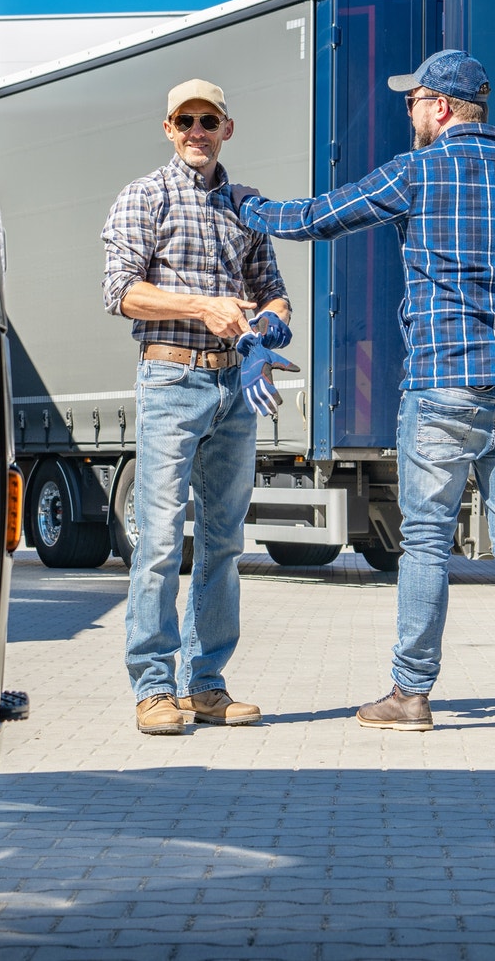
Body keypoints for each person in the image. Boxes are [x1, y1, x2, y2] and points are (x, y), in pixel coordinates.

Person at [226, 50, 495, 734]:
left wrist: (251, 206)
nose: (408, 112)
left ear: (443, 107)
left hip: (443, 386)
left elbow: (316, 217)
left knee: (424, 542)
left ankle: (411, 696)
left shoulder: (416, 172)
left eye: (413, 100)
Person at [101, 78, 296, 735]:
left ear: (226, 128)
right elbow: (122, 292)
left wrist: (267, 333)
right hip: (170, 381)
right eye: (183, 119)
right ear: (167, 127)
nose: (196, 130)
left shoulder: (246, 207)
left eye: (207, 119)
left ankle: (205, 685)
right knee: (158, 542)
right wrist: (202, 306)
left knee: (223, 543)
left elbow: (274, 293)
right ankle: (153, 688)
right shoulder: (143, 197)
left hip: (235, 386)